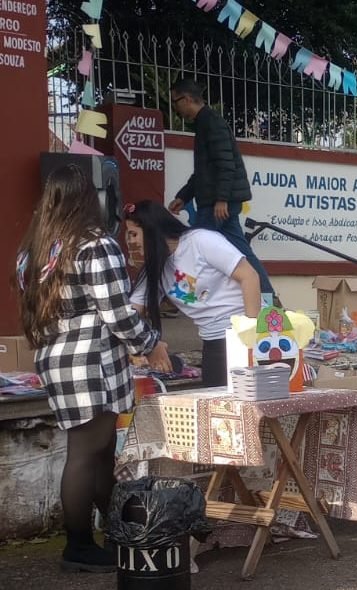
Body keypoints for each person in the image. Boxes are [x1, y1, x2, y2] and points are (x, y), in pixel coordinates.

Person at [13, 165, 171, 572]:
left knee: (99, 452)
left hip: (57, 358)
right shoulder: (93, 245)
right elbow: (117, 313)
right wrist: (152, 344)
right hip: (89, 363)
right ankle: (79, 545)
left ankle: (118, 533)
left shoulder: (36, 248)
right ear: (90, 198)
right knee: (85, 453)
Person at [125, 200, 263, 387]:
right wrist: (149, 344)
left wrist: (250, 335)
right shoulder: (155, 268)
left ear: (151, 229)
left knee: (257, 404)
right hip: (213, 342)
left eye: (134, 234)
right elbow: (131, 312)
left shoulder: (200, 241)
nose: (130, 241)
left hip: (248, 335)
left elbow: (249, 276)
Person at [167, 78, 274, 298]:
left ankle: (183, 295)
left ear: (186, 99)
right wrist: (183, 197)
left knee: (192, 243)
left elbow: (226, 165)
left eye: (175, 102)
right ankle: (267, 298)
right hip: (214, 202)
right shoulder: (205, 123)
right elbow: (204, 173)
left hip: (218, 204)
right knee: (240, 250)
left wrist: (222, 199)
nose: (175, 108)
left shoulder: (211, 123)